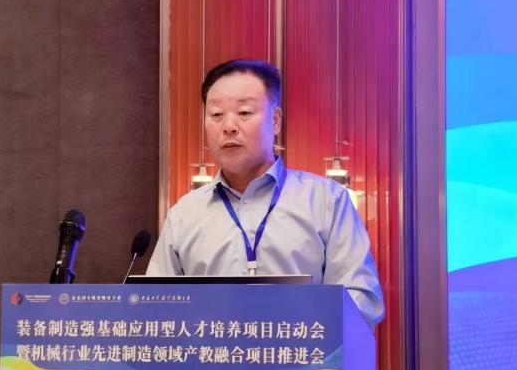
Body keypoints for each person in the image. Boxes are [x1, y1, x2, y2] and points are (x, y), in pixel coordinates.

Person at [146, 59, 384, 330]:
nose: (229, 126)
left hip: (303, 355)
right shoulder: (184, 214)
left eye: (244, 112)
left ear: (275, 120)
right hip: (212, 356)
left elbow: (362, 299)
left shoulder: (328, 201)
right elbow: (155, 307)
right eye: (216, 114)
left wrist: (292, 332)